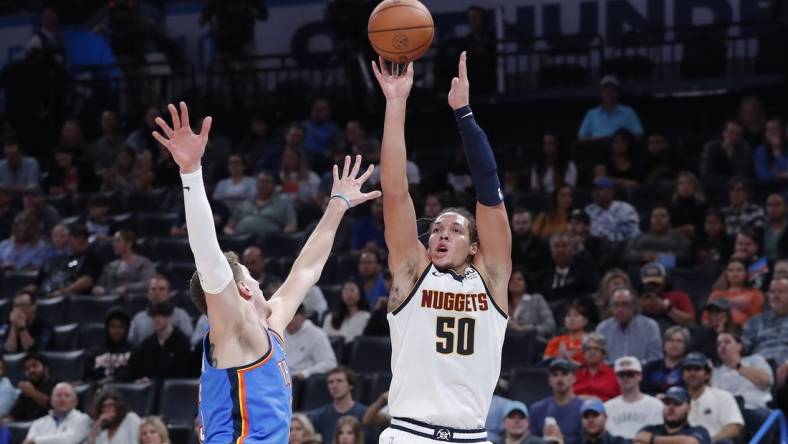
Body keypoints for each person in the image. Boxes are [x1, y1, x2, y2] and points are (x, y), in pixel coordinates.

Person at [152, 102, 379, 443]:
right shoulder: (234, 331)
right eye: (249, 275)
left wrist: (337, 205)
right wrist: (191, 173)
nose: (259, 280)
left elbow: (307, 269)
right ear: (241, 290)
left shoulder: (269, 327)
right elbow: (208, 256)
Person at [371, 52, 511, 442]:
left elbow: (490, 190)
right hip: (410, 434)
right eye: (435, 229)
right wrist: (396, 103)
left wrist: (464, 113)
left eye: (455, 230)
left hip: (472, 436)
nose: (442, 234)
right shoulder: (412, 272)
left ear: (474, 248)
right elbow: (396, 192)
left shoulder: (492, 278)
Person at [711, 330, 773, 437]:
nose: (722, 346)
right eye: (719, 344)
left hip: (755, 409)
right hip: (728, 416)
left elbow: (765, 381)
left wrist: (737, 365)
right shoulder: (715, 373)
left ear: (739, 346)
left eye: (727, 342)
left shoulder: (755, 360)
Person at [681, 352, 744, 442]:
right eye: (688, 369)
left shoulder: (723, 396)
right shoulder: (675, 401)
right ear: (683, 375)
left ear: (707, 375)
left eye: (697, 369)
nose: (692, 373)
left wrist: (707, 442)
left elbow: (733, 428)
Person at [742, 277, 788, 393]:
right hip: (759, 369)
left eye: (781, 292)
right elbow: (741, 349)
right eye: (772, 292)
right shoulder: (755, 321)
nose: (775, 295)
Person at [128, 300, 194, 381]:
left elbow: (183, 373)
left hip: (174, 389)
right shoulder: (147, 344)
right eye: (154, 316)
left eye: (161, 315)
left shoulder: (182, 342)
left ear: (169, 317)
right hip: (151, 389)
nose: (156, 319)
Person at [223, 170, 298, 238]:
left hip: (269, 242)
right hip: (240, 240)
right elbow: (229, 227)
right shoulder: (244, 203)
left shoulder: (284, 203)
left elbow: (291, 226)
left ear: (274, 185)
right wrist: (231, 235)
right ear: (256, 184)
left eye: (267, 182)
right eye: (261, 181)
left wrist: (279, 238)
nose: (263, 184)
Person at [595, 287, 663, 362]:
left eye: (625, 304)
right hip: (611, 372)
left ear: (634, 306)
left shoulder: (650, 326)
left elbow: (656, 357)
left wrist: (635, 368)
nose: (620, 309)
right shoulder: (603, 328)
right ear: (611, 307)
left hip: (643, 371)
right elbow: (599, 358)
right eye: (616, 305)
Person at [604, 357, 663, 438]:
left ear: (640, 376)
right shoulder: (607, 407)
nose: (625, 378)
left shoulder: (656, 406)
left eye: (630, 374)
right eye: (621, 375)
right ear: (617, 378)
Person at [127, 275, 193, 347]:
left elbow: (188, 341)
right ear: (148, 294)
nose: (157, 292)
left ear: (169, 294)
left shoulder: (181, 315)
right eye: (153, 289)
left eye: (161, 289)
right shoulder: (139, 318)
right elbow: (132, 343)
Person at [529, 359, 584, 444]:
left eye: (564, 374)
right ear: (549, 381)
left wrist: (562, 440)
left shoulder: (583, 408)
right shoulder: (537, 409)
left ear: (573, 378)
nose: (559, 378)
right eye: (555, 375)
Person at [308, 367, 368, 444]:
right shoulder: (319, 416)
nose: (334, 386)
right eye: (331, 382)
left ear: (351, 385)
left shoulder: (365, 414)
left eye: (339, 381)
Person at [633, 386, 711, 444]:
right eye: (667, 403)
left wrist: (653, 439)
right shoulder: (649, 429)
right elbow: (638, 440)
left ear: (688, 408)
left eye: (677, 403)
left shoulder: (698, 431)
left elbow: (691, 442)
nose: (671, 407)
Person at [43, 224, 102, 297]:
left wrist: (63, 291)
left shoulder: (92, 256)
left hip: (80, 299)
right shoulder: (72, 256)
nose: (68, 242)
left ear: (80, 239)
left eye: (70, 238)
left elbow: (87, 280)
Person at [540, 233, 598, 306]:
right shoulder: (545, 270)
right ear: (551, 251)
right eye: (556, 246)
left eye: (564, 246)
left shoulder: (585, 267)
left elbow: (591, 292)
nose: (560, 250)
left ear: (572, 249)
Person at [23, 382, 92, 444]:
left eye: (67, 395)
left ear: (75, 402)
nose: (62, 399)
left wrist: (36, 441)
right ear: (51, 400)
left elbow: (69, 440)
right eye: (58, 395)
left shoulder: (83, 419)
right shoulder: (38, 423)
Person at [578, 76, 643, 140]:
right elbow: (581, 136)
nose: (609, 92)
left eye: (612, 89)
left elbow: (638, 135)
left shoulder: (629, 112)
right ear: (601, 93)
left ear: (618, 93)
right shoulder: (591, 113)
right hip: (597, 148)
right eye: (605, 89)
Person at [93, 230, 156, 297]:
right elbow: (100, 284)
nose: (114, 245)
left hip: (132, 301)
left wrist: (127, 288)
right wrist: (97, 289)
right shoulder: (110, 265)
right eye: (113, 241)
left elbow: (148, 283)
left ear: (129, 243)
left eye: (118, 241)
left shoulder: (143, 262)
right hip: (109, 300)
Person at [624, 207, 691, 269]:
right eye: (655, 216)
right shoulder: (639, 237)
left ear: (669, 220)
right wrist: (643, 256)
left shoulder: (678, 237)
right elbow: (627, 253)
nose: (659, 219)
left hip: (669, 268)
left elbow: (686, 255)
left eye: (663, 216)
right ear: (650, 220)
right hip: (641, 266)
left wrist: (664, 257)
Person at [704, 258, 765, 326]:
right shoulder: (716, 294)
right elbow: (706, 319)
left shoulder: (756, 294)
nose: (735, 273)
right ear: (726, 273)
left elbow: (755, 320)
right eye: (731, 270)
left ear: (746, 273)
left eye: (739, 270)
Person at [636, 263, 695, 332]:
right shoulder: (636, 299)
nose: (652, 286)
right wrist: (640, 307)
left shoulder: (678, 296)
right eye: (649, 283)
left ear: (665, 281)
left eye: (656, 283)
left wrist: (667, 308)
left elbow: (691, 322)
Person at [285, 304, 337, 380]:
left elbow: (330, 363)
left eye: (293, 315)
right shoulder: (277, 332)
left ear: (303, 316)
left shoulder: (317, 334)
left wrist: (306, 373)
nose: (289, 319)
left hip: (300, 380)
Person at [84, 308, 134, 385]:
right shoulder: (93, 353)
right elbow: (86, 382)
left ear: (127, 329)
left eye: (121, 326)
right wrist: (99, 383)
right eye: (113, 326)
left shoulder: (135, 353)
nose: (117, 331)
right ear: (107, 328)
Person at [584, 177, 640, 243]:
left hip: (620, 248)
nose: (595, 193)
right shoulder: (589, 210)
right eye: (593, 190)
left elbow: (635, 236)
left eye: (600, 189)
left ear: (611, 191)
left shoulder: (625, 209)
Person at [508, 268, 556, 341]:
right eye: (511, 279)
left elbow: (550, 326)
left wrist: (527, 329)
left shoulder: (536, 300)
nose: (515, 281)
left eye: (519, 279)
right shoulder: (502, 304)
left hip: (532, 343)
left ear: (526, 284)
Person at [641, 326, 690, 396]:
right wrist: (656, 396)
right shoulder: (650, 367)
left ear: (685, 346)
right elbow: (642, 391)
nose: (674, 344)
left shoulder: (689, 369)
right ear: (663, 344)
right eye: (670, 340)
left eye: (679, 341)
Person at [9, 354, 59, 422]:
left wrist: (33, 393)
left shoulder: (57, 385)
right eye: (27, 368)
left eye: (35, 366)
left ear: (46, 368)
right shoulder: (25, 391)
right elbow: (14, 416)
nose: (31, 370)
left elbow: (56, 406)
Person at [3, 289, 53, 353]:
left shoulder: (46, 326)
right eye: (16, 306)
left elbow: (35, 354)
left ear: (33, 306)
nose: (18, 310)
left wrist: (22, 328)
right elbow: (8, 353)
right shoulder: (10, 325)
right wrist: (13, 326)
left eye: (22, 305)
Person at [572, 334, 620, 401]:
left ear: (603, 353)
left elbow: (620, 400)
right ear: (583, 354)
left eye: (596, 349)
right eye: (588, 349)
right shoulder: (576, 375)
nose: (592, 352)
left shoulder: (614, 375)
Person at [544, 300, 592, 365]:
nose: (571, 319)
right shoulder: (555, 341)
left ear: (585, 321)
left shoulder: (591, 340)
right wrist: (559, 355)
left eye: (576, 315)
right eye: (568, 315)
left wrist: (568, 358)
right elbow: (545, 363)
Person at [669, 172, 707, 239]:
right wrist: (684, 229)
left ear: (695, 187)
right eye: (681, 183)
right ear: (677, 187)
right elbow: (666, 231)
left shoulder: (702, 206)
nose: (685, 186)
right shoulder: (670, 206)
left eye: (689, 183)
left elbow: (699, 229)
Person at [512, 208, 551, 273]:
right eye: (517, 223)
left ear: (531, 223)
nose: (521, 226)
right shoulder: (507, 247)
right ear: (512, 224)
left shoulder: (542, 245)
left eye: (524, 222)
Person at [754, 117, 788, 181]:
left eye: (774, 129)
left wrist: (778, 152)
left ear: (782, 131)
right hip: (769, 187)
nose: (771, 133)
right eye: (768, 130)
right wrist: (781, 175)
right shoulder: (761, 150)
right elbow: (762, 175)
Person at [763, 193, 788, 261]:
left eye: (777, 205)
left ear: (786, 208)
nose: (773, 209)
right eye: (769, 205)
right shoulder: (761, 229)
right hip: (764, 268)